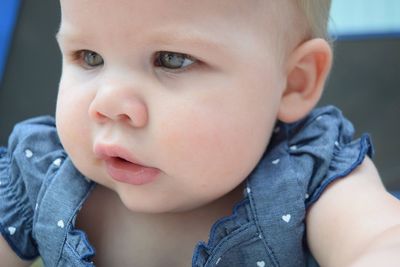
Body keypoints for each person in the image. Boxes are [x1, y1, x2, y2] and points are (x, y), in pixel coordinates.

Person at [1, 0, 400, 266]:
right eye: (89, 57)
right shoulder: (42, 168)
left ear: (293, 82)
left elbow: (381, 240)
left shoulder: (307, 176)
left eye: (171, 60)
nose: (108, 104)